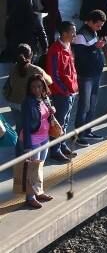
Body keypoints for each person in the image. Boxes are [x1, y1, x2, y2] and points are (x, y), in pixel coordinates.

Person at [20, 73, 56, 208]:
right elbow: (25, 125)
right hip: (33, 139)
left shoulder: (44, 98)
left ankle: (39, 192)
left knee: (39, 167)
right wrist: (28, 146)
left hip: (44, 137)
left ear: (43, 87)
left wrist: (51, 110)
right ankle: (30, 197)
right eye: (33, 87)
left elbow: (46, 116)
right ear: (29, 88)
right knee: (33, 169)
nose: (36, 89)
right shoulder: (27, 103)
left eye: (39, 86)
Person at [72, 10, 107, 145]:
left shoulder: (92, 32)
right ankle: (79, 134)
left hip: (94, 73)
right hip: (86, 75)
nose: (100, 28)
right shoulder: (81, 35)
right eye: (98, 25)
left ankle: (87, 130)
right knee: (84, 105)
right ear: (91, 22)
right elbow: (80, 56)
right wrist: (95, 47)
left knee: (92, 104)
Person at [45, 20, 79, 162]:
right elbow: (53, 75)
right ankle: (55, 149)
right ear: (64, 33)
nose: (75, 35)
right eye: (73, 32)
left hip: (70, 91)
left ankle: (62, 144)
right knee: (59, 122)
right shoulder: (55, 50)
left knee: (65, 121)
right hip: (62, 93)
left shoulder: (68, 46)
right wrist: (64, 90)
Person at [2, 0, 48, 64]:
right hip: (30, 48)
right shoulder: (34, 17)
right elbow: (41, 34)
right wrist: (45, 47)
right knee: (29, 65)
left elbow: (7, 33)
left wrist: (11, 42)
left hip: (15, 48)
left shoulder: (11, 17)